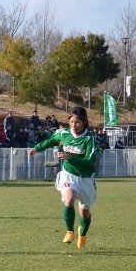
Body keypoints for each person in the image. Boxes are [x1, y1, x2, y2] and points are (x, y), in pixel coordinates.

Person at [29, 106, 97, 250]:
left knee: (84, 212)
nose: (74, 125)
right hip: (68, 175)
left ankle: (82, 233)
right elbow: (51, 141)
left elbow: (89, 160)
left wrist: (70, 157)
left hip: (85, 179)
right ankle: (70, 232)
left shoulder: (89, 139)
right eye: (72, 122)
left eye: (77, 122)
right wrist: (37, 148)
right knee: (69, 198)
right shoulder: (64, 132)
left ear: (84, 122)